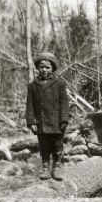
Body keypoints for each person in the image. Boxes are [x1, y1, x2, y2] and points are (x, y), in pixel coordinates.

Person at [25, 52, 70, 181]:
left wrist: (64, 120)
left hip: (56, 123)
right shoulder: (32, 86)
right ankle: (45, 169)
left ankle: (56, 168)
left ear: (53, 69)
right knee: (44, 146)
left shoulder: (60, 84)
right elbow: (29, 105)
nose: (44, 70)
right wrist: (31, 121)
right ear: (37, 68)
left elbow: (64, 103)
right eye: (42, 67)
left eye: (48, 67)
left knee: (57, 146)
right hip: (41, 123)